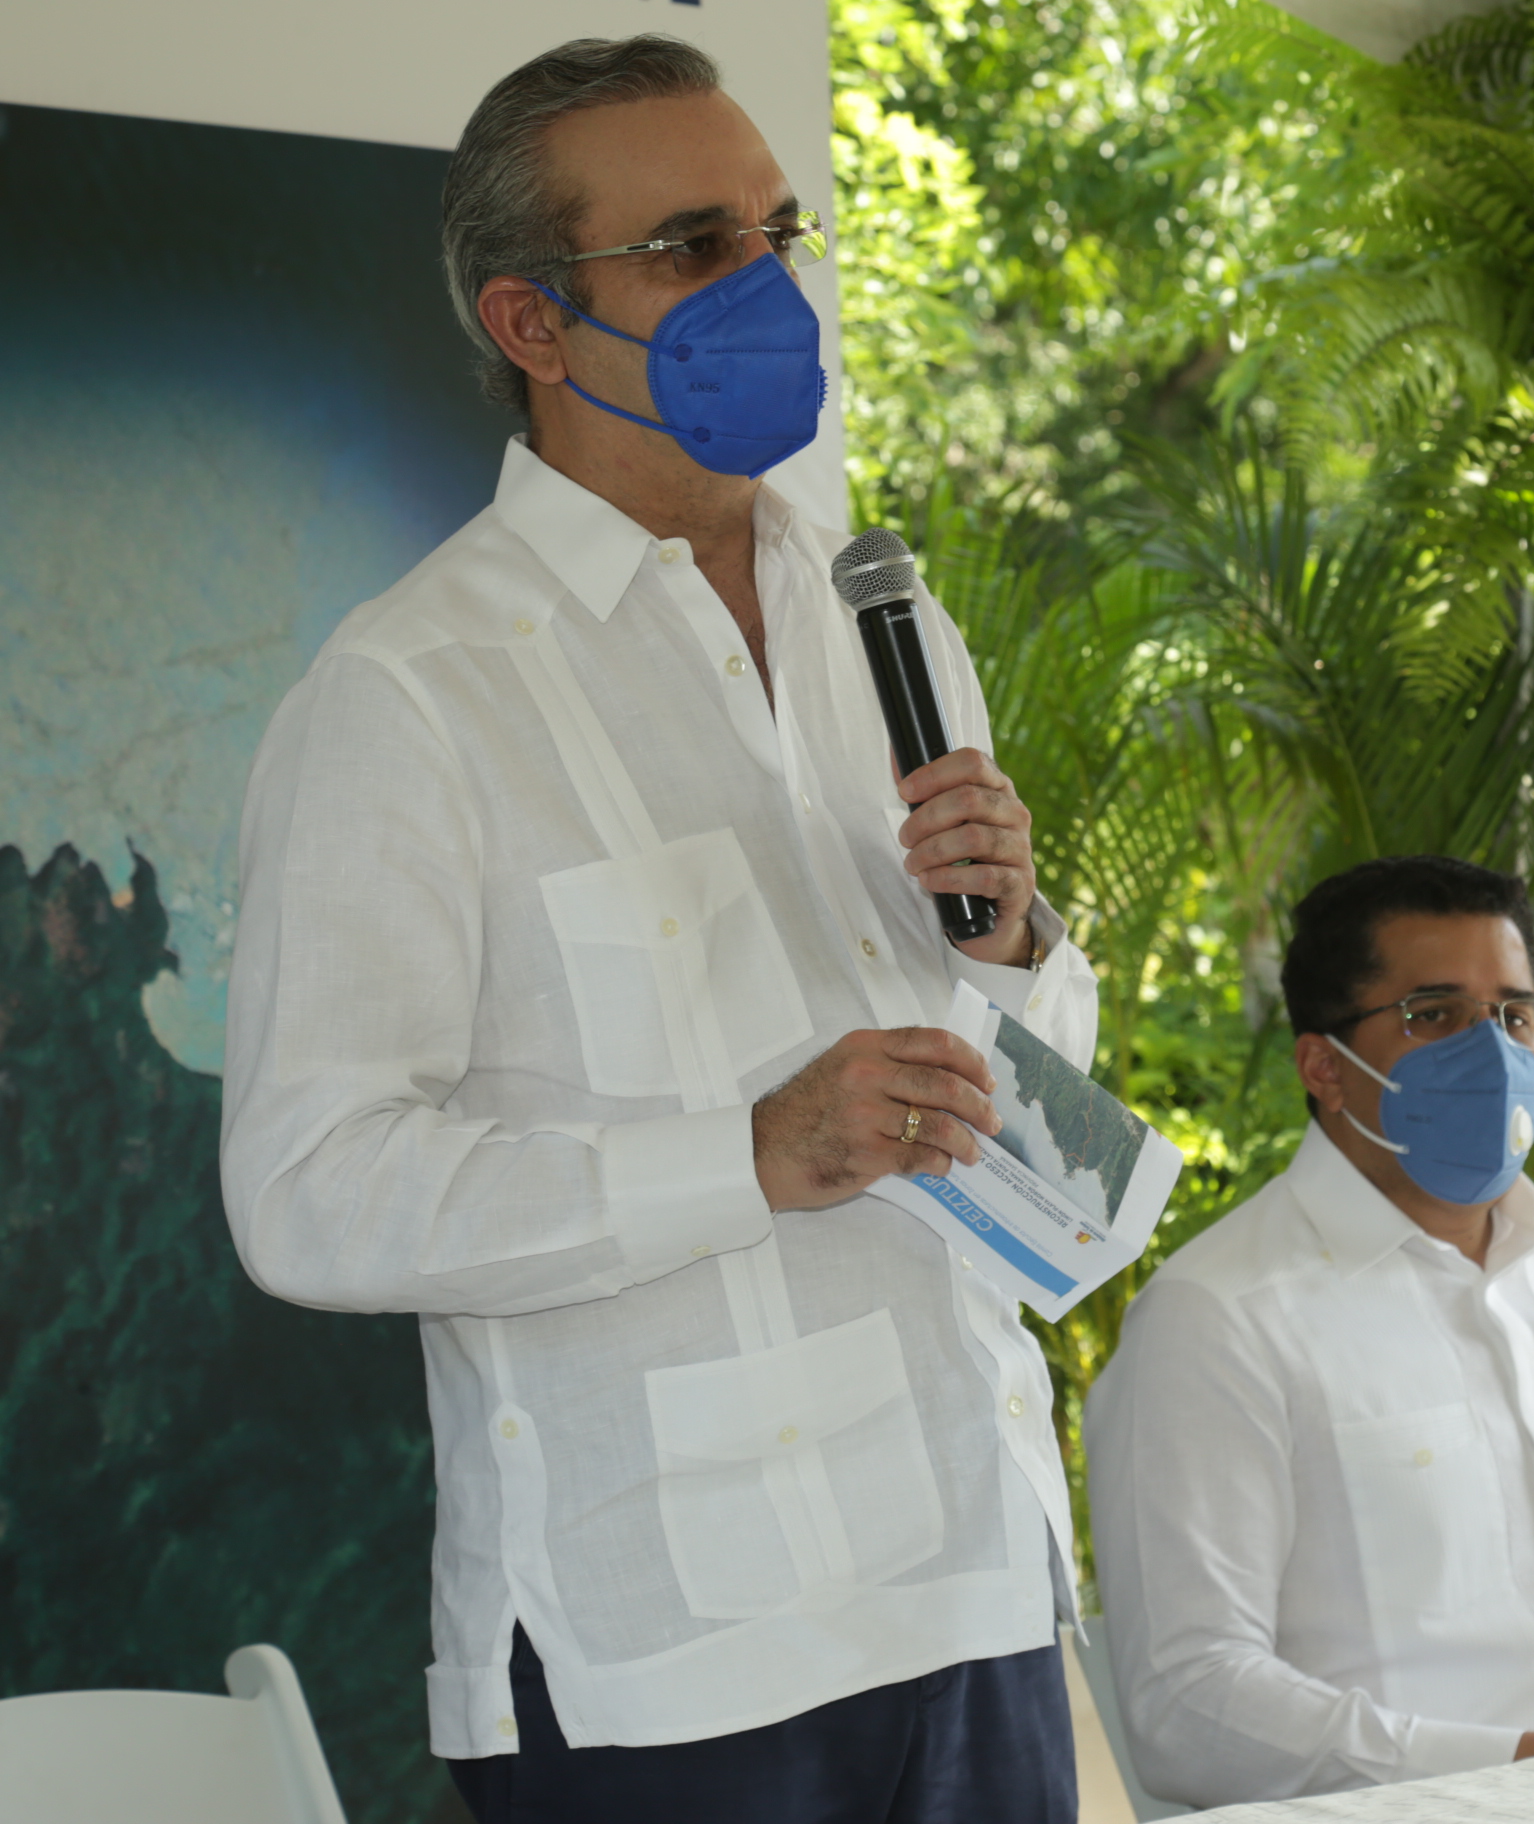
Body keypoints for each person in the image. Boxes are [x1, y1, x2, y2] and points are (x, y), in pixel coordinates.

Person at [221, 39, 1095, 1823]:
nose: (768, 286)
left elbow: (1009, 1092)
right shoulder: (411, 690)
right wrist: (749, 1150)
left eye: (778, 232)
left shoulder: (883, 614)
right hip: (666, 1658)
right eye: (696, 247)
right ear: (530, 325)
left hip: (980, 1578)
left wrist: (1012, 947)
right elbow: (309, 1188)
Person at [1083, 856, 1534, 1808]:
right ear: (1324, 1066)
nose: (1492, 1051)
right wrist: (1529, 1768)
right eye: (1435, 1014)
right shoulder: (1217, 1319)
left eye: (1516, 1016)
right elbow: (1190, 1702)